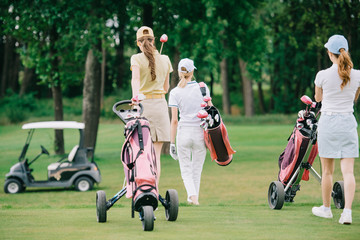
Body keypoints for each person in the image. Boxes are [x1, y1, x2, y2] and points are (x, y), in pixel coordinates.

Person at [312, 34, 360, 224]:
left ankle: (326, 209)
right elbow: (354, 98)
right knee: (348, 171)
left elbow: (317, 99)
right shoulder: (357, 74)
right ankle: (347, 213)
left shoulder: (322, 75)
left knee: (327, 171)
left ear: (330, 54)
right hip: (348, 123)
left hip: (329, 124)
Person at [130, 26, 173, 185]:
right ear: (153, 41)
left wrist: (135, 99)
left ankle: (138, 190)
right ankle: (153, 192)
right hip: (161, 106)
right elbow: (166, 89)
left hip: (143, 106)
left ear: (138, 43)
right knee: (156, 156)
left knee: (140, 153)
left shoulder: (136, 58)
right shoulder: (166, 59)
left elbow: (135, 80)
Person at [168, 58, 212, 205]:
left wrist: (171, 143)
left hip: (183, 133)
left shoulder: (175, 92)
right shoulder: (203, 87)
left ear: (180, 72)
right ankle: (194, 198)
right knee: (196, 170)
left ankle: (193, 198)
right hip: (200, 132)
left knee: (186, 170)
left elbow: (174, 120)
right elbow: (210, 109)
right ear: (192, 71)